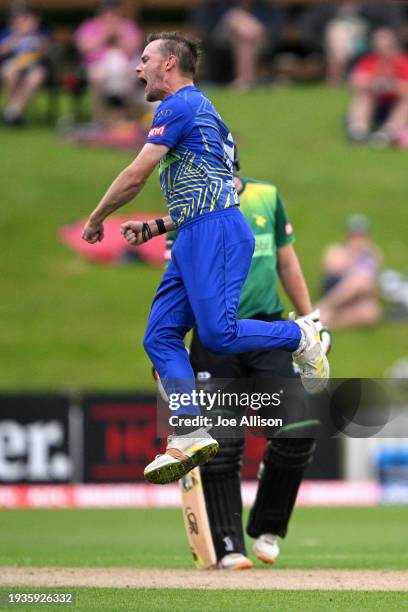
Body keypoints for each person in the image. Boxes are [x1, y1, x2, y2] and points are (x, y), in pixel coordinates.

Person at [81, 31, 329, 486]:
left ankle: (300, 334)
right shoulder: (206, 115)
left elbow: (136, 175)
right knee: (160, 338)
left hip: (213, 232)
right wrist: (159, 226)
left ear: (169, 64)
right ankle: (190, 429)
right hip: (199, 231)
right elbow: (221, 187)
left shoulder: (178, 106)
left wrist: (98, 218)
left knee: (218, 333)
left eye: (144, 59)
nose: (138, 68)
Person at [163, 157, 324, 569]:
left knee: (299, 429)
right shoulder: (188, 209)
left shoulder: (267, 196)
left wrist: (309, 320)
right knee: (222, 445)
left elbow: (287, 262)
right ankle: (228, 544)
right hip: (214, 338)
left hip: (266, 331)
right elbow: (176, 278)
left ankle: (268, 526)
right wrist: (171, 353)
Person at [75, 0, 142, 122]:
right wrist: (105, 36)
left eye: (113, 12)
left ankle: (126, 115)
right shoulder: (90, 26)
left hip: (125, 65)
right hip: (97, 65)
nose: (110, 15)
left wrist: (117, 37)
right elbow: (83, 48)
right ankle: (100, 117)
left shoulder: (128, 26)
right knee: (97, 76)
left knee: (132, 74)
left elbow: (135, 46)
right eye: (106, 12)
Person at [318, 214, 382, 329]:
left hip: (358, 297)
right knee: (359, 280)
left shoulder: (372, 253)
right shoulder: (336, 250)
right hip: (335, 290)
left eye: (361, 235)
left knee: (371, 313)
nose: (358, 239)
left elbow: (373, 281)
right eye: (355, 235)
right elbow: (334, 271)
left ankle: (326, 321)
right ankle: (324, 307)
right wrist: (354, 254)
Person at [347, 28, 408, 146]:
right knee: (363, 95)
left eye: (386, 46)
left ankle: (389, 132)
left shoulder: (403, 62)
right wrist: (373, 84)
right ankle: (359, 131)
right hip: (375, 105)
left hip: (394, 105)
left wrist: (392, 86)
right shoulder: (369, 62)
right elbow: (356, 83)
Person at [0, 2, 49, 125]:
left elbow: (45, 51)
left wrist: (34, 36)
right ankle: (15, 113)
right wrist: (16, 36)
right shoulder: (7, 33)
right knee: (9, 72)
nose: (23, 21)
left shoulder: (40, 33)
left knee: (35, 77)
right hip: (14, 65)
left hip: (35, 66)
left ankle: (11, 112)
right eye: (19, 18)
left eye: (26, 18)